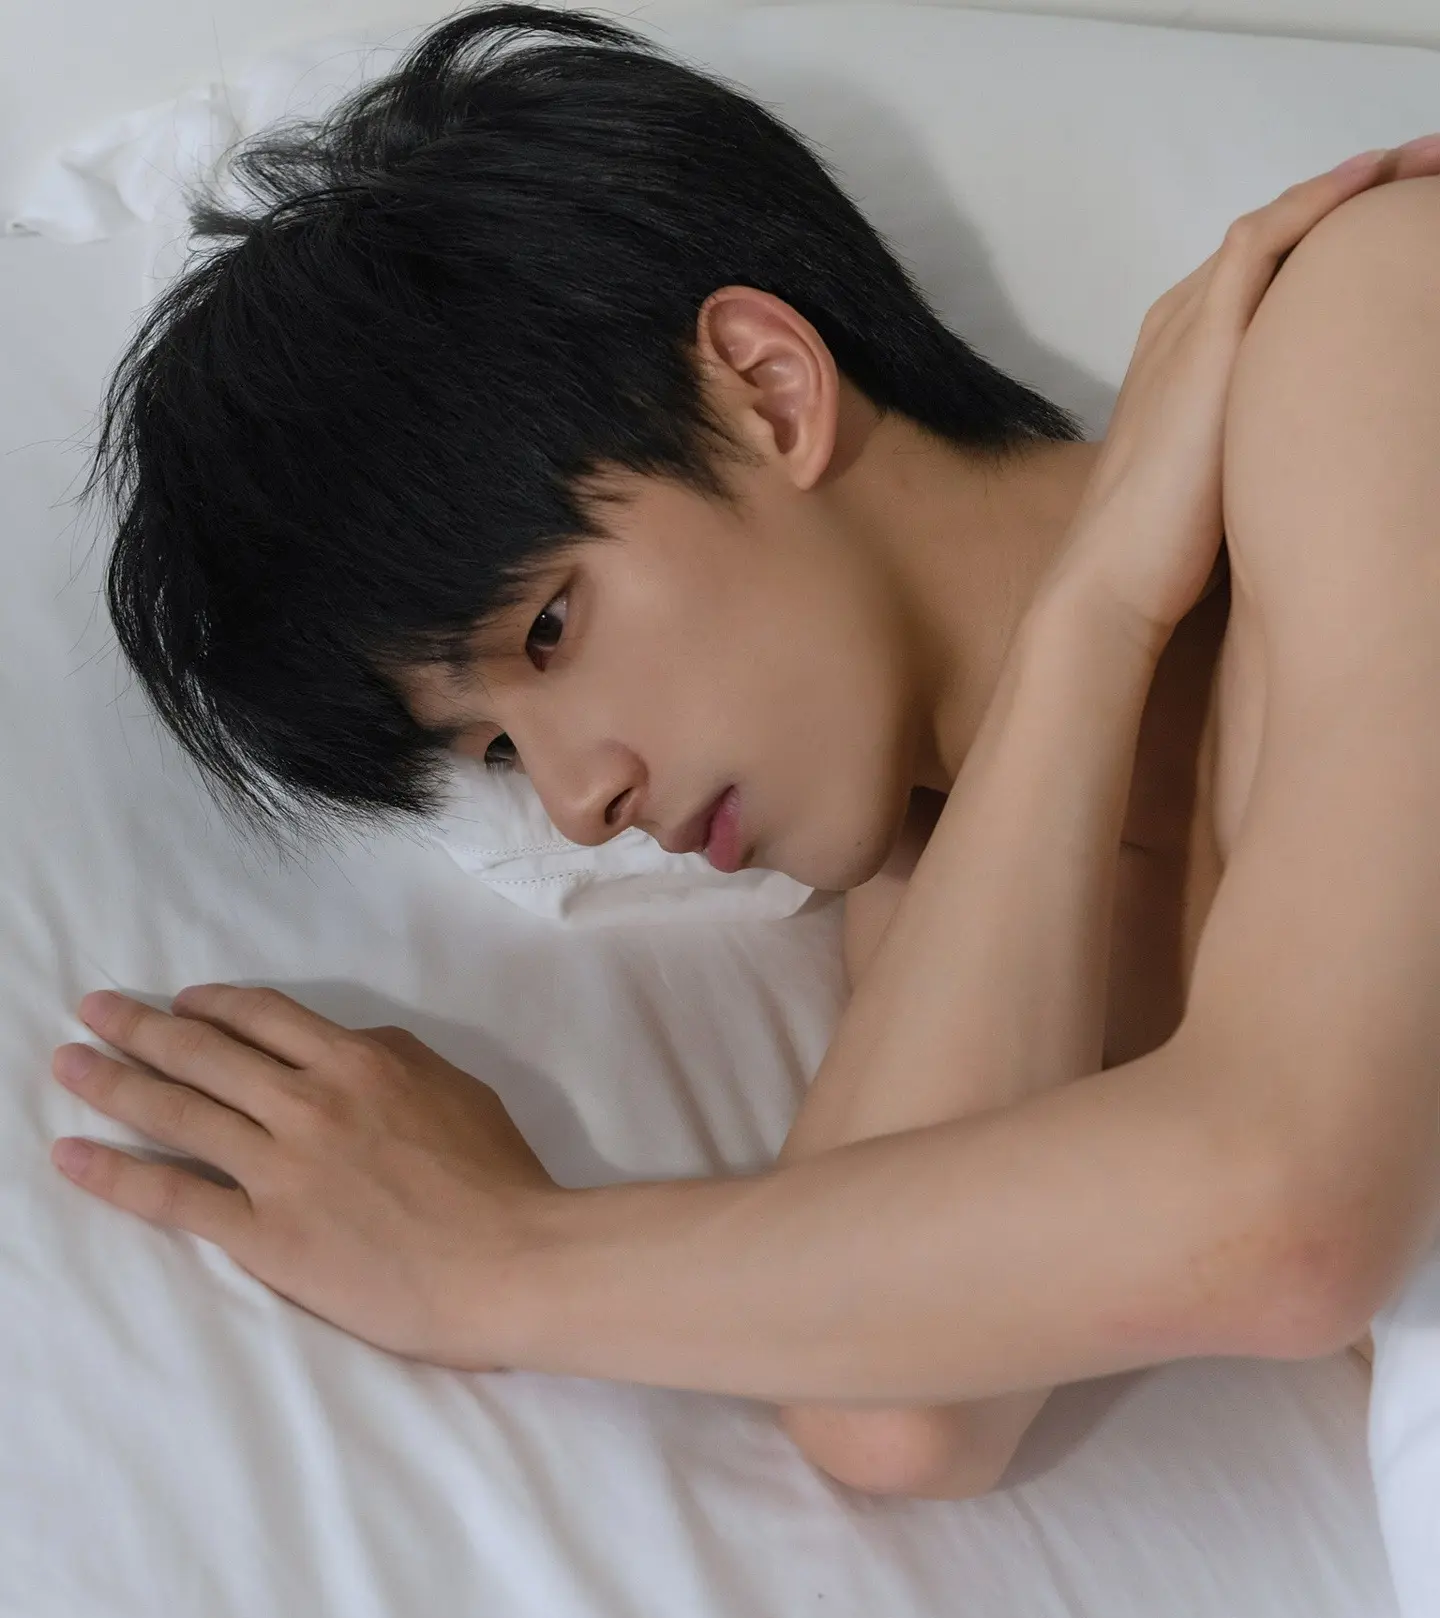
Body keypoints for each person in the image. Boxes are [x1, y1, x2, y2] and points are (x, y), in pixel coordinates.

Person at [50, 7, 1440, 1507]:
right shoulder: (952, 919)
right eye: (500, 750)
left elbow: (1288, 1205)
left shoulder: (1368, 314)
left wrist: (492, 1260)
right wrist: (1082, 633)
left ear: (769, 388)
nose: (579, 804)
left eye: (550, 629)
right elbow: (902, 1421)